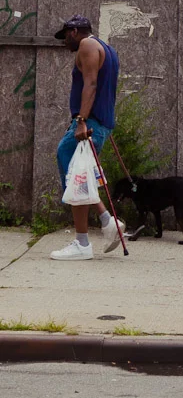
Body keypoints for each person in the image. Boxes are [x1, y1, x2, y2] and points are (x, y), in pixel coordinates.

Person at [50, 15, 124, 260]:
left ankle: (83, 243)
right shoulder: (107, 49)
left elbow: (91, 84)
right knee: (81, 175)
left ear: (74, 31)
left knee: (74, 175)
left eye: (65, 37)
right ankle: (106, 220)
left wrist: (82, 120)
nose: (64, 43)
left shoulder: (87, 45)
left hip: (89, 122)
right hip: (98, 122)